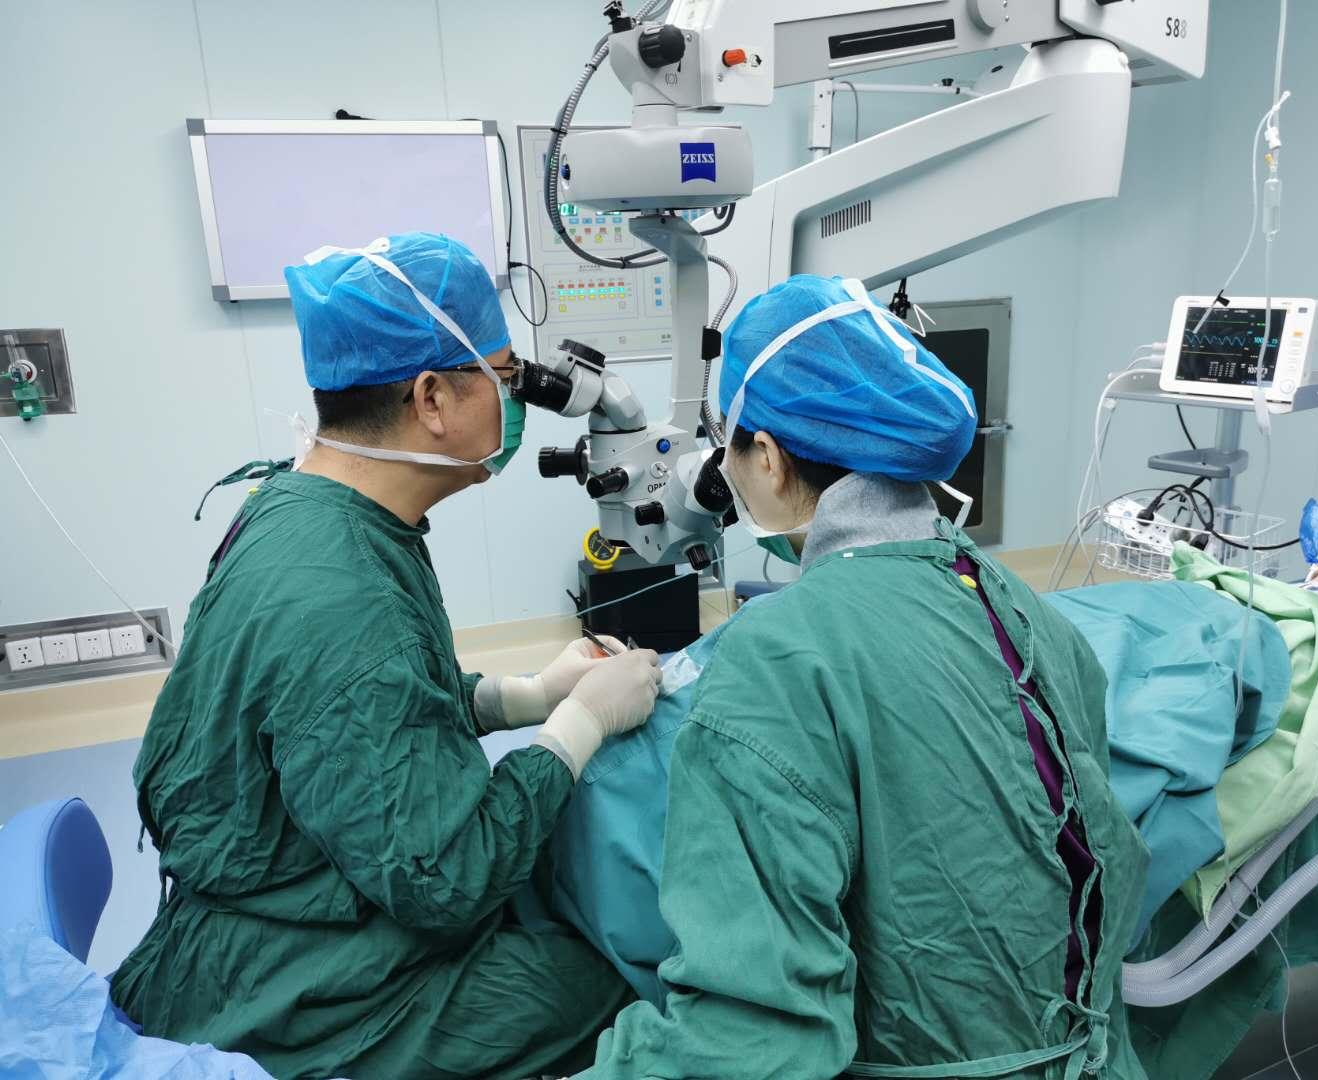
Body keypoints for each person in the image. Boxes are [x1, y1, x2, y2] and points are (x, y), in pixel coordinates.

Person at [111, 232, 660, 1080]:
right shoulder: (346, 599)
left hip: (268, 906)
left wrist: (522, 696)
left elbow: (352, 719)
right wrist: (579, 726)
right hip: (292, 987)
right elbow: (446, 882)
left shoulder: (301, 507)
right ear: (431, 397)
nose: (515, 401)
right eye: (503, 377)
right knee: (616, 982)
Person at [578, 275, 1151, 1079]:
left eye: (729, 447)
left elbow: (751, 1040)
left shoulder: (778, 658)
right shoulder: (1027, 610)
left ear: (768, 458)